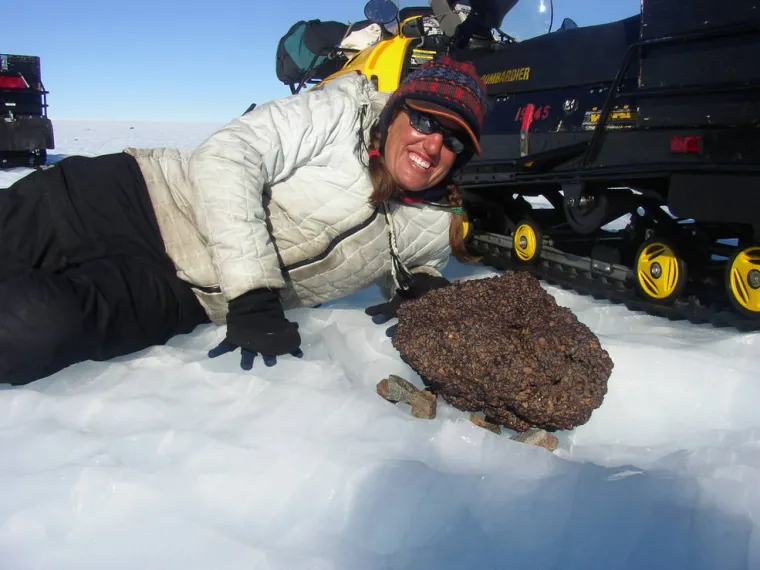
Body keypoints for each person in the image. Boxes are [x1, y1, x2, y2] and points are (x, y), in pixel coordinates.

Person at [0, 55, 489, 386]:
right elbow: (229, 155)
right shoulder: (341, 112)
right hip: (134, 196)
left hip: (177, 289)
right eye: (426, 121)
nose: (432, 145)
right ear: (397, 111)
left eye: (453, 140)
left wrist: (422, 288)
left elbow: (414, 263)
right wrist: (254, 292)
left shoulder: (432, 217)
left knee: (28, 334)